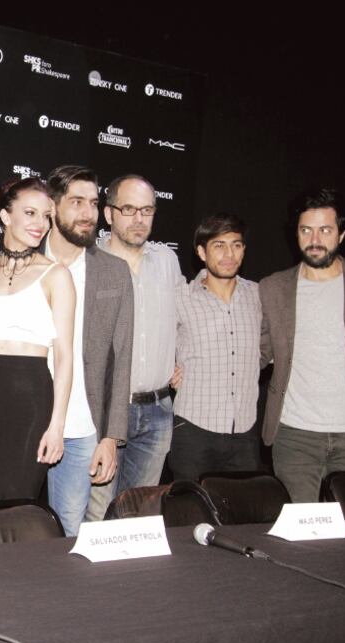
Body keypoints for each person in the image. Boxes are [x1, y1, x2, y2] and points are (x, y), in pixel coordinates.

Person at [260, 187, 345, 501]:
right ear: (296, 234)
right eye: (306, 230)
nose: (314, 239)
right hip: (294, 437)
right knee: (300, 537)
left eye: (325, 230)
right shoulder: (273, 287)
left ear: (342, 234)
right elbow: (257, 352)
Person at [0, 177, 74, 502]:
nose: (40, 224)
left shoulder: (56, 275)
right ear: (5, 216)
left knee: (17, 501)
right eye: (30, 213)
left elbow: (65, 358)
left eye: (46, 216)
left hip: (31, 401)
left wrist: (56, 427)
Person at [85, 174, 183, 522]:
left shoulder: (168, 262)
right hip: (105, 412)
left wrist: (183, 360)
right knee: (96, 515)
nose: (139, 218)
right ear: (109, 214)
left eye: (147, 210)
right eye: (129, 209)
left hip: (157, 412)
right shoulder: (90, 263)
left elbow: (186, 314)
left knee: (138, 515)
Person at [43, 166, 134, 534]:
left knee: (70, 531)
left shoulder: (114, 272)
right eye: (76, 202)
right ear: (52, 206)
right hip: (24, 423)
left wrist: (110, 439)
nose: (87, 213)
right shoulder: (17, 262)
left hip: (82, 427)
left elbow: (121, 359)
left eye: (94, 203)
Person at [169, 214, 261, 482]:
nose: (229, 254)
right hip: (193, 430)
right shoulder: (179, 297)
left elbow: (269, 349)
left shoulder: (258, 296)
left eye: (236, 245)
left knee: (241, 519)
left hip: (245, 433)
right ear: (201, 252)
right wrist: (167, 371)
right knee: (189, 516)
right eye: (219, 245)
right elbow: (152, 342)